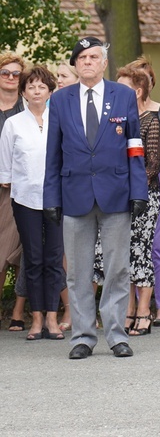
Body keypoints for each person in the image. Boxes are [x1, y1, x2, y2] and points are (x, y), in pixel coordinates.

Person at [43, 36, 149, 359]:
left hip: (116, 193)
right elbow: (52, 154)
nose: (87, 62)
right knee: (77, 271)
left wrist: (139, 189)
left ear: (104, 63)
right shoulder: (60, 100)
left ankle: (117, 335)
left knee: (117, 268)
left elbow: (134, 146)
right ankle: (83, 337)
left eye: (93, 57)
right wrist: (51, 196)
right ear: (75, 65)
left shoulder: (123, 95)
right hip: (73, 194)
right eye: (82, 58)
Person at [0, 65, 64, 341]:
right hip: (24, 199)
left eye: (42, 86)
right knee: (33, 259)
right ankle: (36, 319)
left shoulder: (60, 119)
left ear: (50, 90)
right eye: (31, 87)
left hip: (57, 199)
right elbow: (6, 169)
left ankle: (52, 317)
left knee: (53, 259)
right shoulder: (13, 124)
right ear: (24, 92)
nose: (36, 91)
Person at [128, 56, 160, 327]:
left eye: (143, 77)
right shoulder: (121, 114)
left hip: (159, 182)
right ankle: (135, 306)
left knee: (157, 244)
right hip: (128, 185)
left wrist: (151, 149)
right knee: (133, 245)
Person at [115, 63, 160, 336]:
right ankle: (128, 310)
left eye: (122, 88)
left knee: (140, 251)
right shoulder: (115, 122)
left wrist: (125, 187)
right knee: (121, 255)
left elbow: (152, 165)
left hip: (144, 196)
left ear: (137, 91)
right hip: (117, 198)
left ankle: (144, 312)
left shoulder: (150, 121)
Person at [0, 51, 27, 332]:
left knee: (16, 252)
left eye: (15, 73)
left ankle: (18, 312)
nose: (10, 78)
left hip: (18, 188)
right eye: (5, 73)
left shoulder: (27, 107)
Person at [54, 60, 80, 332]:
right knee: (64, 256)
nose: (59, 79)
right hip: (62, 186)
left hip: (89, 190)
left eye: (63, 75)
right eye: (57, 76)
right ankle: (68, 310)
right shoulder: (55, 105)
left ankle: (82, 312)